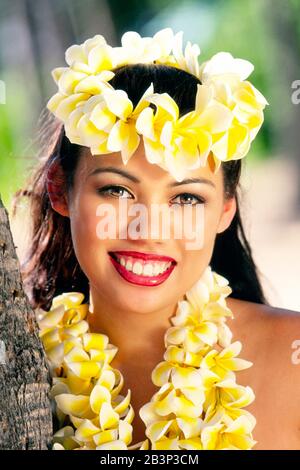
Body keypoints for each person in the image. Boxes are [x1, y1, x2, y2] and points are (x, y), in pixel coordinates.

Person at [13, 29, 300, 450]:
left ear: (224, 209)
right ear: (60, 191)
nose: (149, 230)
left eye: (186, 197)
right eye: (116, 190)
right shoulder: (16, 367)